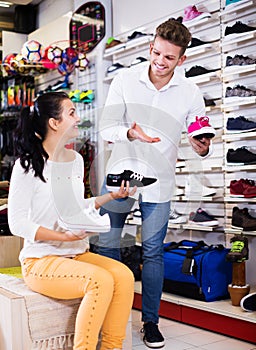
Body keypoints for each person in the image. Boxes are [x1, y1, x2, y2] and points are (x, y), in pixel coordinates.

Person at [98, 18, 213, 349]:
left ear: (182, 59)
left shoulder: (191, 93)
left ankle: (150, 322)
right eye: (157, 53)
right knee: (109, 246)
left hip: (160, 181)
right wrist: (129, 132)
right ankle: (108, 315)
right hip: (121, 172)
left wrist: (201, 147)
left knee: (153, 252)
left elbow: (198, 136)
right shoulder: (125, 78)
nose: (160, 63)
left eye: (169, 58)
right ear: (151, 47)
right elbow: (106, 127)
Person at [7, 91, 136, 350]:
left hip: (76, 253)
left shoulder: (75, 161)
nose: (78, 119)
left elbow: (75, 209)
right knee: (99, 280)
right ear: (54, 123)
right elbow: (17, 223)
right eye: (72, 113)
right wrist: (63, 237)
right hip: (41, 260)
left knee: (124, 275)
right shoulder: (26, 166)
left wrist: (111, 196)